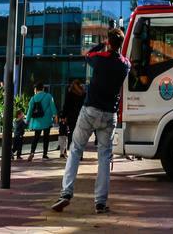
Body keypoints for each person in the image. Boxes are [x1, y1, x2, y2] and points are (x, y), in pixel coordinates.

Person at [52, 29, 130, 215]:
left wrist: (103, 44)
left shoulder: (100, 58)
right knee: (104, 157)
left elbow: (88, 55)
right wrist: (113, 46)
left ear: (108, 42)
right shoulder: (125, 65)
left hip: (90, 111)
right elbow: (122, 59)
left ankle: (66, 193)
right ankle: (100, 203)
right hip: (109, 114)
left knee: (76, 149)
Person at [26, 83, 57, 160]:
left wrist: (27, 121)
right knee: (46, 137)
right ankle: (44, 154)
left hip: (37, 121)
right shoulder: (49, 96)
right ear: (43, 88)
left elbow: (30, 111)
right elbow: (53, 107)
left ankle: (32, 152)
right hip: (47, 120)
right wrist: (55, 116)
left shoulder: (33, 98)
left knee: (36, 137)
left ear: (36, 89)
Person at [58, 79, 85, 160]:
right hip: (82, 117)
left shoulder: (70, 94)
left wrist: (63, 116)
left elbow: (66, 106)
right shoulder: (84, 94)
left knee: (73, 135)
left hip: (72, 117)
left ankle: (74, 153)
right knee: (81, 136)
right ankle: (80, 154)